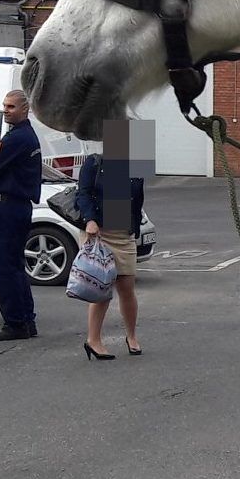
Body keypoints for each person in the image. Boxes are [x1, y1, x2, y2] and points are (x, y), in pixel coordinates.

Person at [0, 90, 42, 341]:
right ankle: (26, 320)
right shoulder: (26, 136)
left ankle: (15, 322)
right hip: (18, 206)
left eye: (12, 106)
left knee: (5, 267)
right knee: (15, 266)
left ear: (25, 109)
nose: (6, 110)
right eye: (4, 105)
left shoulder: (16, 138)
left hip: (9, 207)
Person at [75, 150, 145, 359]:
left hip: (123, 233)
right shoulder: (94, 162)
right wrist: (90, 219)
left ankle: (131, 336)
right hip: (99, 232)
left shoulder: (135, 163)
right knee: (101, 287)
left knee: (127, 287)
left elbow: (138, 197)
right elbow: (83, 193)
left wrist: (135, 226)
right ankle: (93, 340)